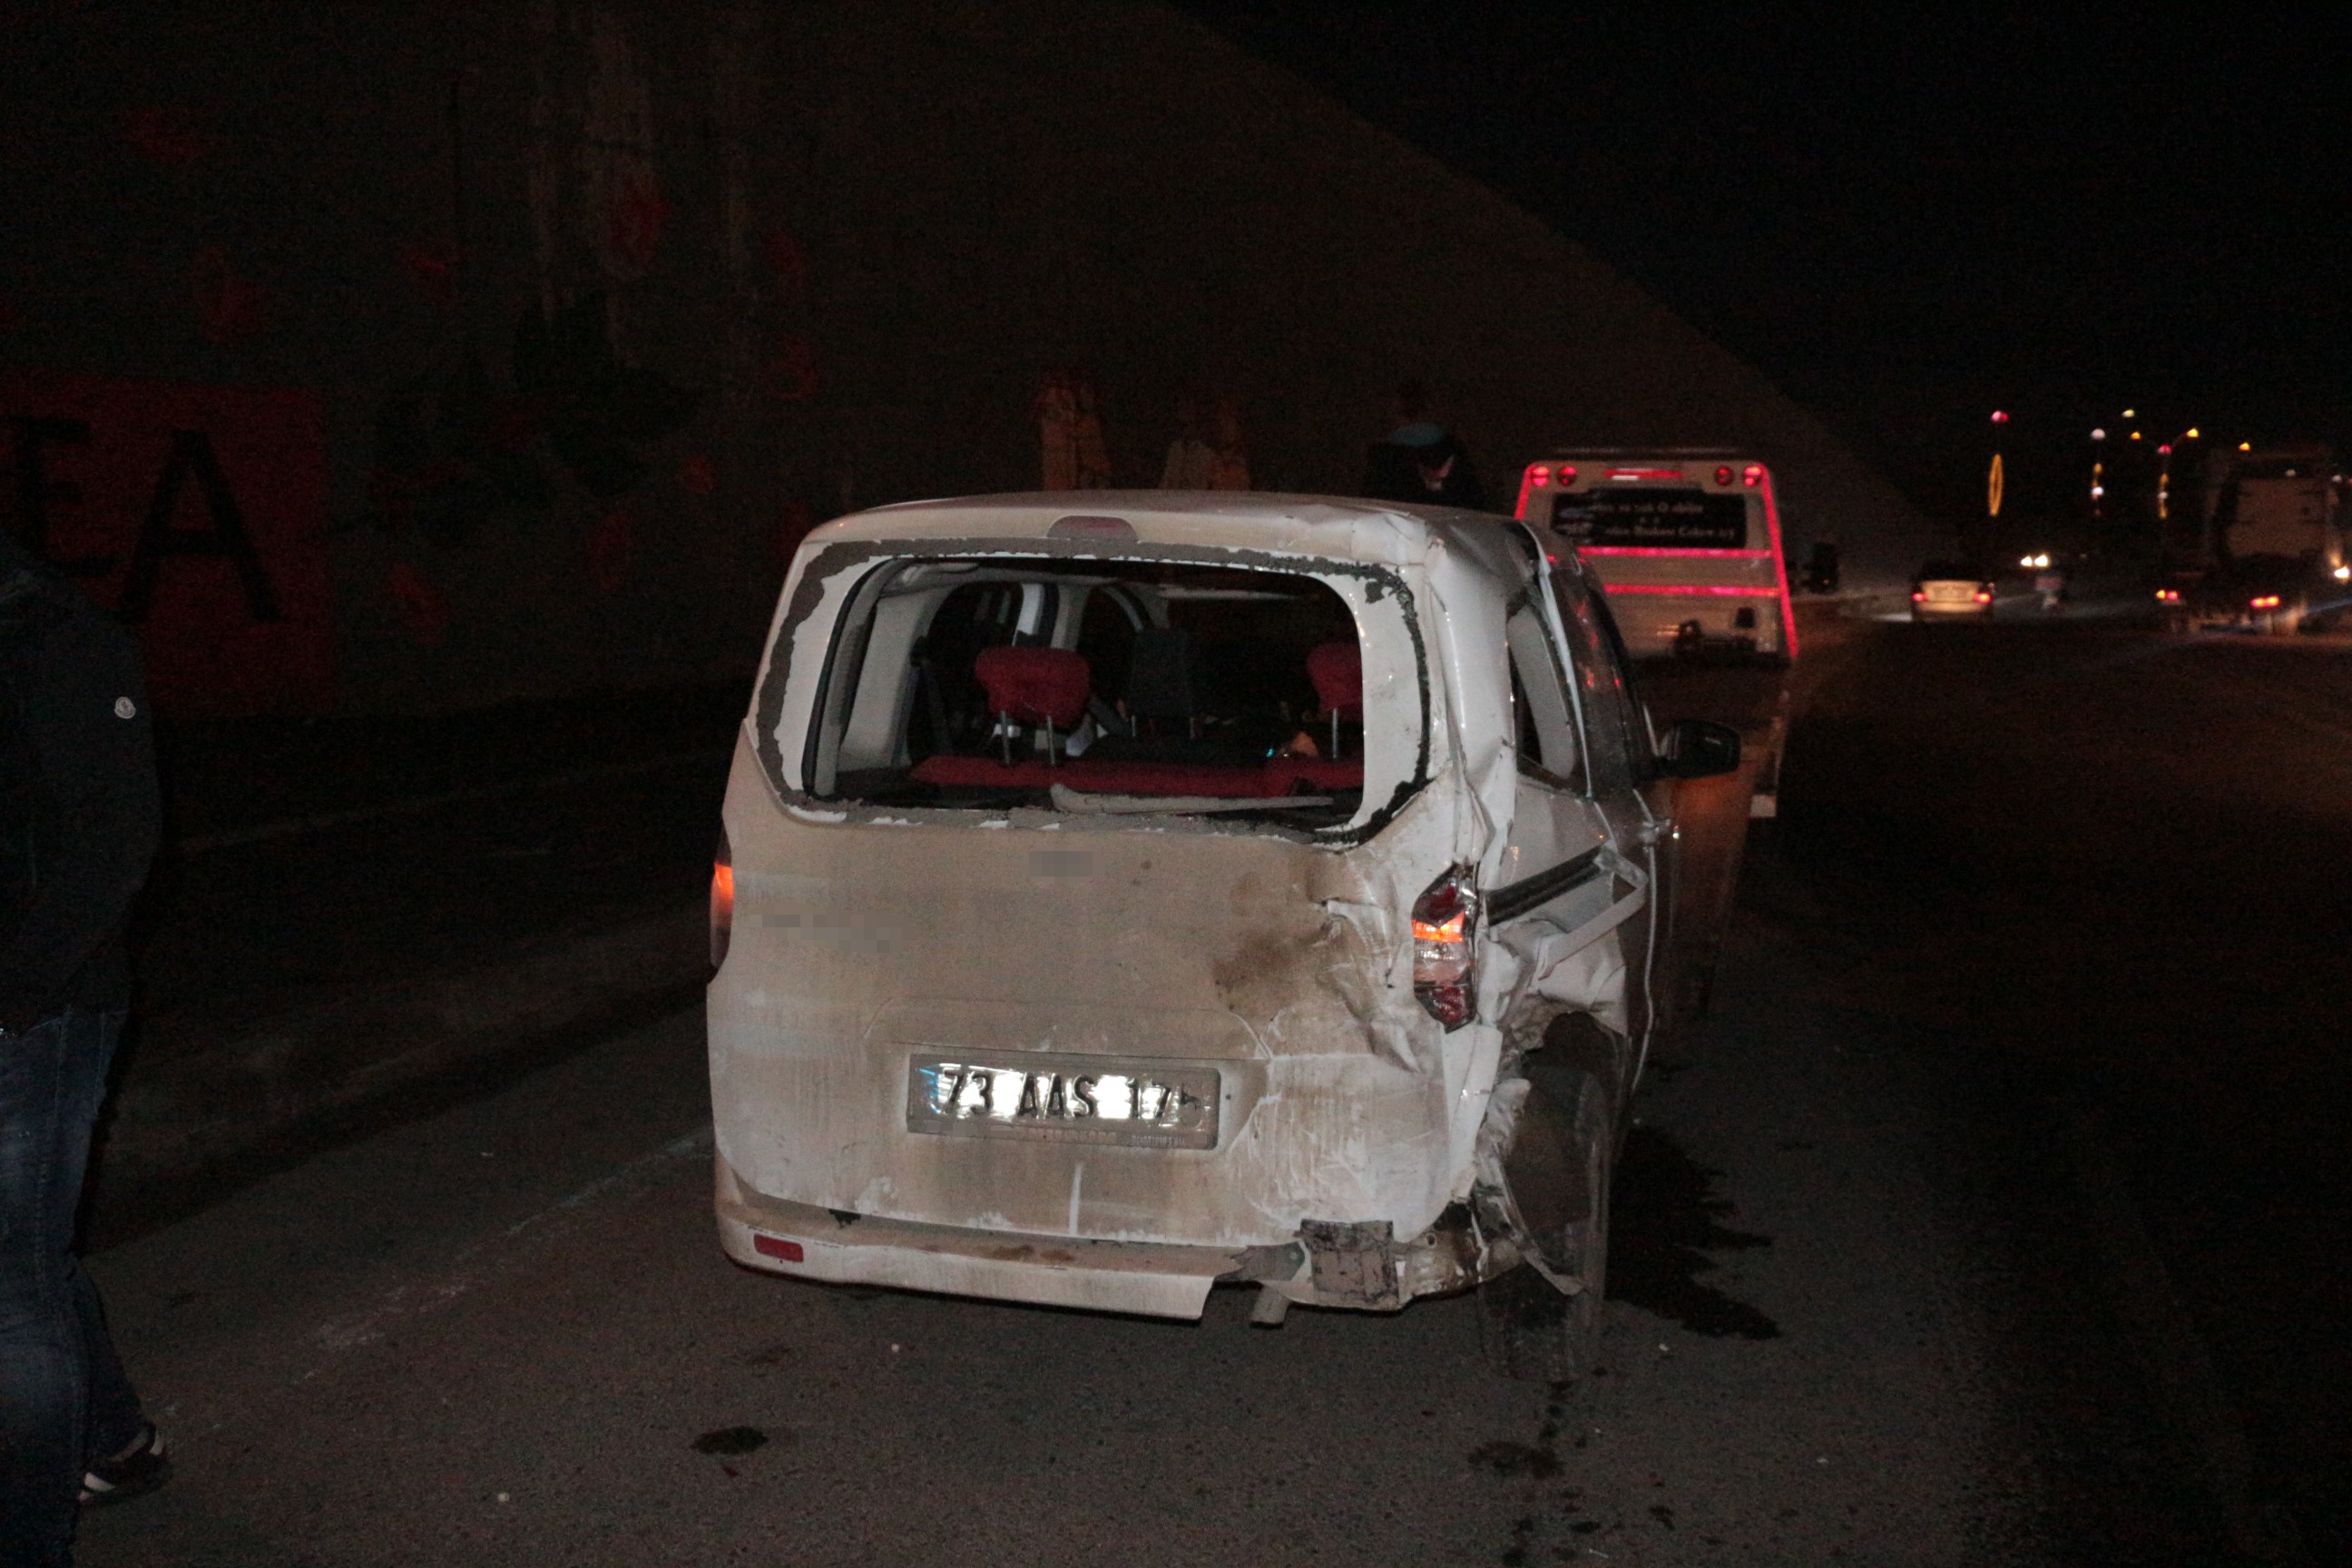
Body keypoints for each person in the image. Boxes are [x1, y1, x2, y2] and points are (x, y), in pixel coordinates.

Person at [1, 534, 170, 1568]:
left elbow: (119, 834)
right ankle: (114, 1440)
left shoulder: (49, 634)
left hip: (39, 1016)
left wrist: (12, 996)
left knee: (8, 1292)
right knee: (22, 1258)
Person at [1361, 379, 1485, 511]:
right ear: (1429, 408)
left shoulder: (1383, 457)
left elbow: (1372, 507)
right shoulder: (1454, 449)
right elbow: (1474, 502)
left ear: (1395, 409)